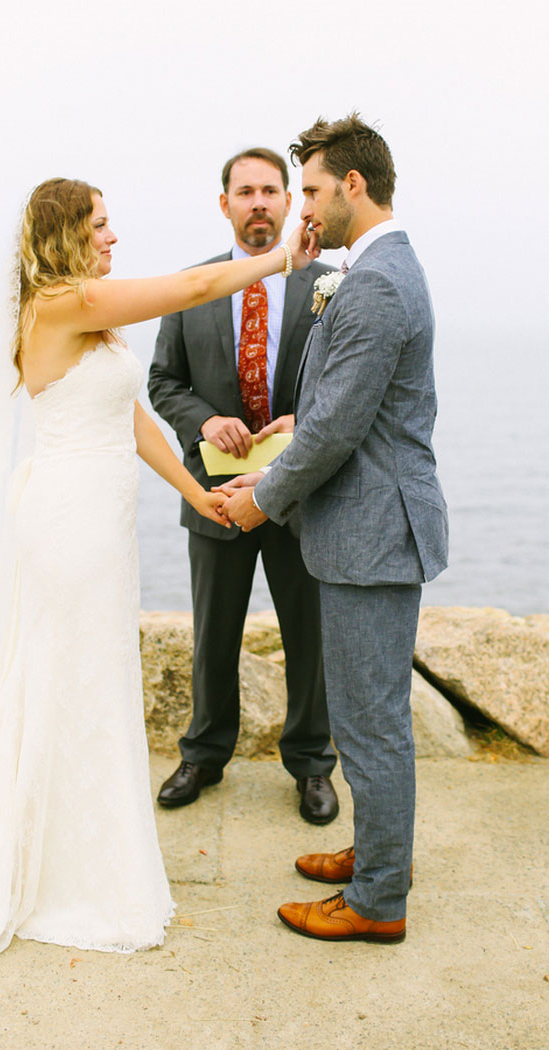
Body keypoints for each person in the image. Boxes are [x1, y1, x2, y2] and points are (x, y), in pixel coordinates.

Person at [0, 178, 313, 987]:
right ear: (66, 233)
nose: (113, 237)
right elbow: (199, 284)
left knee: (90, 683)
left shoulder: (90, 321)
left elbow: (128, 415)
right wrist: (280, 258)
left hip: (99, 525)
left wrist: (196, 488)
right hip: (66, 525)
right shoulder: (59, 305)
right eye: (101, 225)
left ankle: (78, 852)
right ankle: (59, 873)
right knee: (69, 682)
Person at [219, 115, 448, 943]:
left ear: (353, 184)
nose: (302, 207)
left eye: (311, 189)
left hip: (372, 534)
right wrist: (270, 462)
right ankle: (382, 853)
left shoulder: (380, 282)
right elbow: (328, 413)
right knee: (369, 715)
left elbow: (337, 430)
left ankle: (380, 900)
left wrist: (260, 500)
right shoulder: (369, 269)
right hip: (370, 527)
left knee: (369, 723)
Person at [148, 149, 338, 824]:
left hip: (298, 494)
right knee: (214, 634)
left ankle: (313, 766)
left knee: (307, 638)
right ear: (224, 204)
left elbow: (343, 390)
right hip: (217, 498)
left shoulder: (330, 283)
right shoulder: (190, 286)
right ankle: (203, 755)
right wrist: (206, 421)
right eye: (244, 191)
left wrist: (302, 422)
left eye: (269, 190)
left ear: (288, 202)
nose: (258, 202)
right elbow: (162, 384)